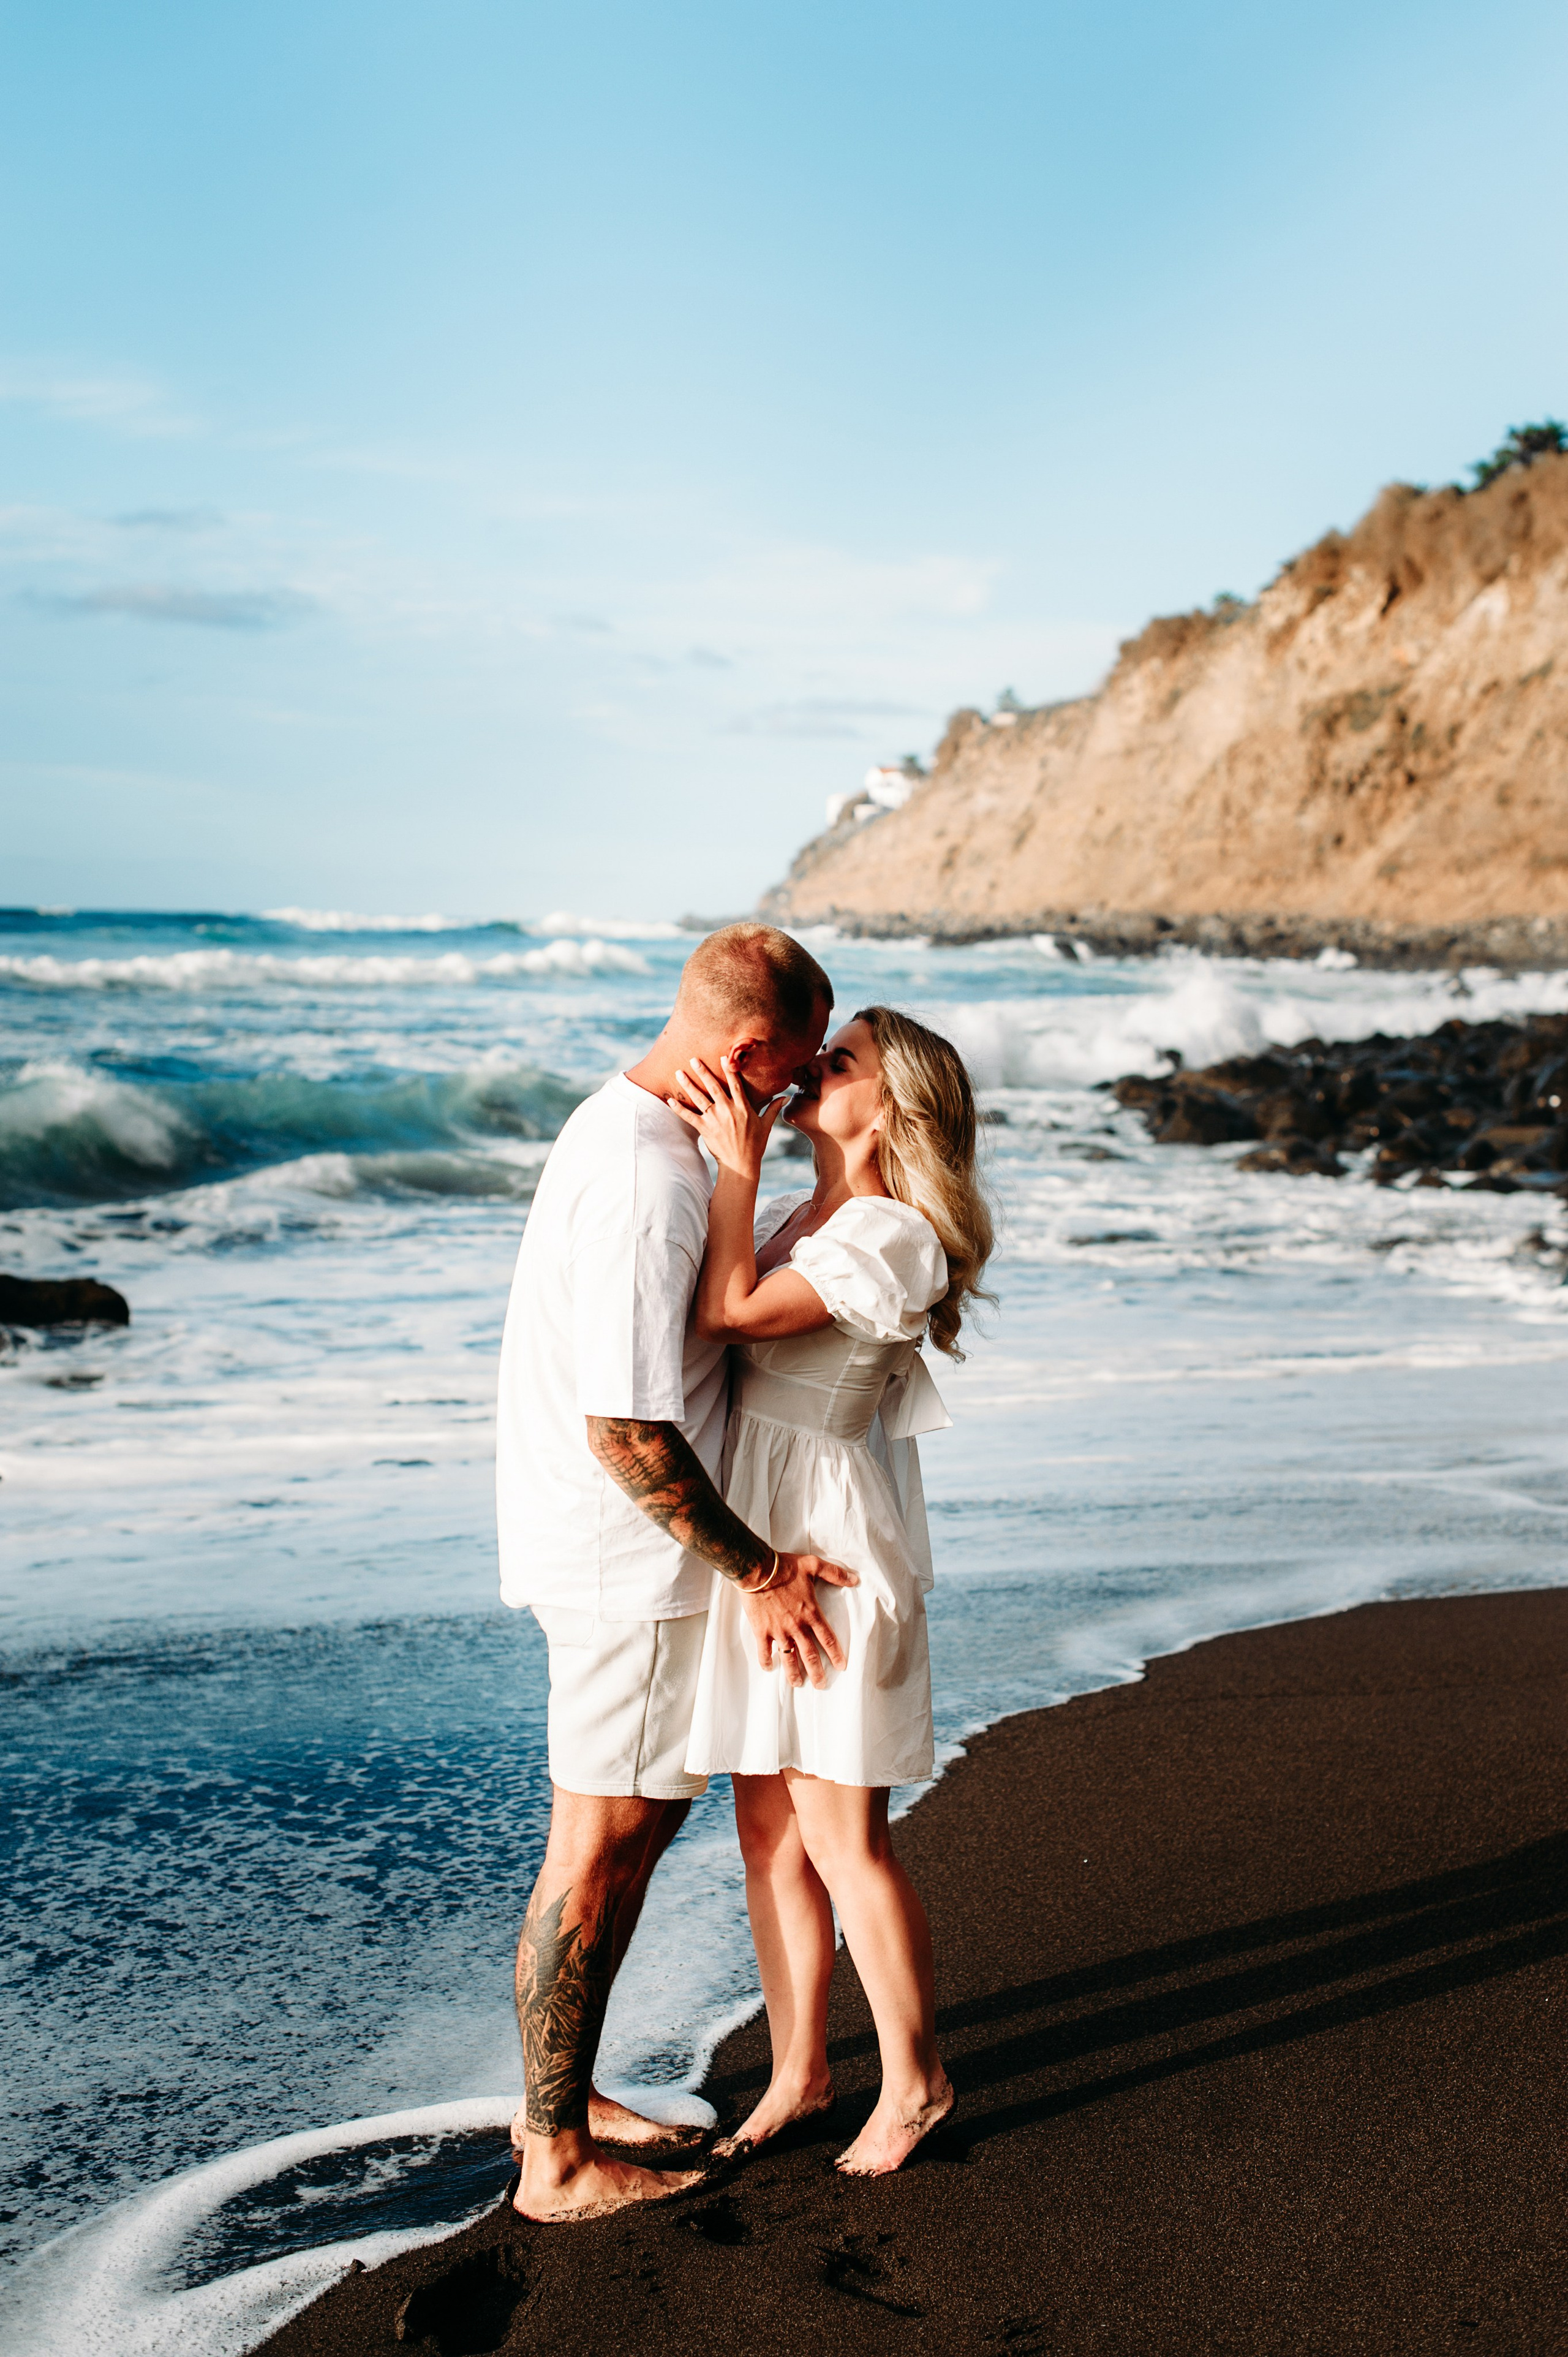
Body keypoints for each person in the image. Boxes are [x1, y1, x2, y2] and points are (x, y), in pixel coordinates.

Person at [495, 922, 863, 2225]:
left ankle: (569, 2095)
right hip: (628, 1571)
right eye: (795, 1066)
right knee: (601, 1852)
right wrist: (759, 1567)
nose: (798, 1087)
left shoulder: (615, 1123)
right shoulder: (653, 1188)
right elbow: (629, 1430)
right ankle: (555, 2159)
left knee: (607, 1843)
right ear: (745, 1047)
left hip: (599, 1552)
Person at [669, 1004, 993, 2176]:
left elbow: (732, 1313)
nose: (814, 1069)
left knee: (840, 1833)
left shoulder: (896, 1234)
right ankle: (802, 2072)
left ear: (893, 1104)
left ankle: (917, 2083)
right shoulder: (814, 1212)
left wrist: (734, 1161)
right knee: (765, 1826)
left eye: (839, 1060)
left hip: (828, 1549)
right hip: (764, 1534)